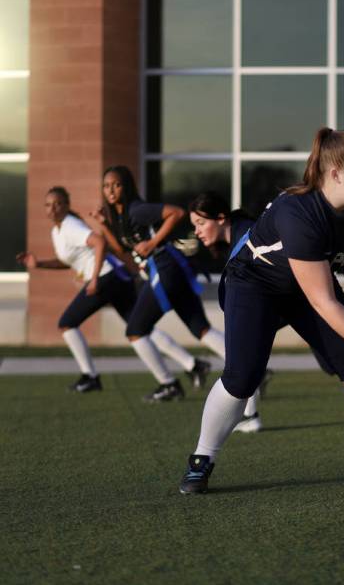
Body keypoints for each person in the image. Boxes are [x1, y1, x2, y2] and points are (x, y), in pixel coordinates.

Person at [178, 128, 344, 495]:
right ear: (335, 173)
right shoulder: (298, 212)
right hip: (254, 285)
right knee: (243, 376)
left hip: (305, 288)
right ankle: (201, 459)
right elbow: (324, 301)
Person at [16, 186, 206, 393]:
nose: (52, 208)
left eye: (57, 203)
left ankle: (90, 377)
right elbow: (69, 261)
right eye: (48, 205)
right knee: (140, 329)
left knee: (67, 323)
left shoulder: (70, 225)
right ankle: (192, 365)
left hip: (106, 278)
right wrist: (39, 264)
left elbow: (99, 243)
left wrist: (94, 279)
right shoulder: (57, 230)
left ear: (67, 205)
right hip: (115, 278)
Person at [96, 166, 227, 402]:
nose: (111, 190)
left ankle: (169, 384)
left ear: (126, 186)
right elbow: (122, 250)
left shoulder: (137, 210)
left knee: (135, 331)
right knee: (200, 328)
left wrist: (152, 242)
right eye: (106, 186)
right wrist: (104, 226)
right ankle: (251, 370)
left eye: (116, 184)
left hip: (165, 268)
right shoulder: (121, 216)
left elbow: (176, 213)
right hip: (169, 270)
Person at [187, 191, 279, 433]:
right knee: (246, 357)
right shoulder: (238, 236)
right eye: (194, 225)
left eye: (200, 223)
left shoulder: (247, 234)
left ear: (220, 218)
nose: (196, 231)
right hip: (284, 299)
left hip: (298, 296)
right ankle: (250, 416)